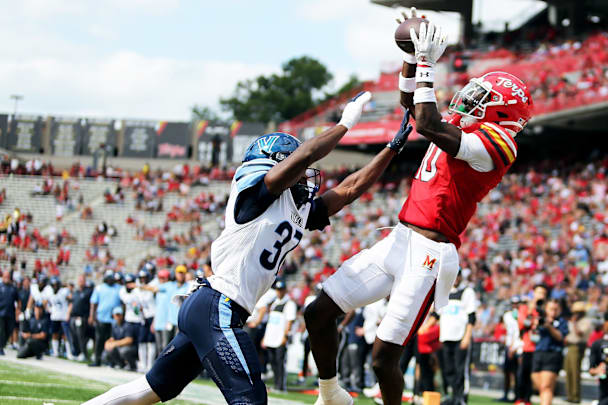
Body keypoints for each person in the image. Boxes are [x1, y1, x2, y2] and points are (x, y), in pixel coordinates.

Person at [84, 93, 414, 405]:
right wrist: (345, 125)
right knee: (250, 399)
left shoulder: (294, 209)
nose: (305, 179)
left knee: (149, 390)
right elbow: (306, 156)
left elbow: (348, 189)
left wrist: (391, 149)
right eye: (296, 171)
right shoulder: (256, 194)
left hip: (214, 308)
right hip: (219, 307)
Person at [305, 10, 533, 405]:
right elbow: (412, 104)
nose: (471, 98)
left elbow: (426, 123)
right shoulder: (466, 125)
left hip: (430, 253)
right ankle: (331, 394)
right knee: (318, 313)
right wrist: (413, 58)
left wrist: (427, 62)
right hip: (400, 239)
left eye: (485, 98)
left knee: (383, 359)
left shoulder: (500, 146)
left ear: (502, 112)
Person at [438, 273, 477, 405]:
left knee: (461, 370)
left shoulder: (467, 292)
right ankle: (453, 396)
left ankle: (461, 398)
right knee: (449, 369)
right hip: (446, 337)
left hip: (460, 337)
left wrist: (467, 336)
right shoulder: (444, 292)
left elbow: (472, 316)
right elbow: (436, 314)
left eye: (457, 276)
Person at [530, 299, 568, 405]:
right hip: (539, 353)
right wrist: (535, 325)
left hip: (553, 354)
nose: (553, 312)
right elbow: (533, 337)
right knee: (540, 387)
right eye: (551, 309)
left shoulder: (561, 322)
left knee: (546, 386)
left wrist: (549, 326)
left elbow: (560, 337)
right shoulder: (540, 319)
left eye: (556, 309)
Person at [262, 280, 297, 392]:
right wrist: (265, 337)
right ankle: (276, 384)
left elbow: (289, 321)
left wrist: (285, 336)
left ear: (285, 290)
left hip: (280, 338)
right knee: (272, 361)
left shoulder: (289, 304)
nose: (279, 292)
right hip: (271, 337)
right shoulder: (275, 303)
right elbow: (270, 321)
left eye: (281, 290)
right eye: (278, 290)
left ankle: (281, 386)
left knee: (280, 362)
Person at [516, 285, 548, 405]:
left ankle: (529, 399)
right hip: (528, 346)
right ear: (533, 293)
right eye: (539, 292)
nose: (541, 296)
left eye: (543, 293)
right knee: (523, 373)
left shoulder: (546, 309)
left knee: (535, 376)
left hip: (542, 347)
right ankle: (521, 399)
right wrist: (531, 311)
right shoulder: (526, 308)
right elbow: (522, 324)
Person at [89, 270, 122, 367]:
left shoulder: (119, 288)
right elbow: (93, 303)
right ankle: (97, 360)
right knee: (99, 340)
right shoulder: (99, 288)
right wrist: (92, 316)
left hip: (114, 319)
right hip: (101, 318)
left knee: (111, 340)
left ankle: (111, 361)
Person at [565, 301, 592, 403]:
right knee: (569, 371)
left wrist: (575, 323)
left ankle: (576, 396)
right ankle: (569, 395)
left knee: (575, 371)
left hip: (578, 347)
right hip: (570, 346)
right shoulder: (574, 321)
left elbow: (580, 334)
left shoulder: (586, 321)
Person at [103, 307, 139, 371]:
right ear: (113, 316)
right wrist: (107, 343)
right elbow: (112, 338)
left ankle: (132, 365)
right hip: (120, 347)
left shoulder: (127, 325)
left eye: (119, 315)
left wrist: (115, 344)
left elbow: (129, 340)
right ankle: (121, 365)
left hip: (131, 347)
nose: (118, 317)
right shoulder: (114, 325)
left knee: (124, 351)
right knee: (106, 352)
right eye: (116, 315)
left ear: (122, 315)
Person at [500, 296, 521, 402]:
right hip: (511, 345)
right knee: (507, 372)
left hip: (519, 346)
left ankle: (517, 395)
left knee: (517, 373)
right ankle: (506, 394)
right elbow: (510, 331)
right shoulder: (507, 315)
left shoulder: (522, 315)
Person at [135, 269, 157, 372]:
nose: (143, 280)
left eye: (145, 278)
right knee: (142, 341)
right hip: (143, 317)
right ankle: (143, 365)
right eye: (141, 278)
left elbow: (155, 292)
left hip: (152, 315)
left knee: (151, 341)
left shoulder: (152, 286)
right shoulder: (138, 290)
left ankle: (149, 365)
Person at [68, 274, 93, 361]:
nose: (80, 282)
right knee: (74, 336)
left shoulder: (88, 291)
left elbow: (91, 305)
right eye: (79, 280)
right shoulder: (76, 292)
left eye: (82, 280)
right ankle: (76, 352)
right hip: (74, 317)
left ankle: (83, 353)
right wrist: (68, 314)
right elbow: (72, 304)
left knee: (81, 336)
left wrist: (90, 316)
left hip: (83, 318)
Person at [46, 276, 71, 357]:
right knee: (54, 334)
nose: (55, 287)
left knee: (65, 335)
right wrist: (49, 309)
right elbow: (45, 302)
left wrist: (68, 313)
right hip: (55, 316)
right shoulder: (49, 292)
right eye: (53, 285)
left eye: (56, 285)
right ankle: (55, 351)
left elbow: (71, 301)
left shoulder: (64, 291)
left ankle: (68, 352)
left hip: (63, 316)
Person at [0, 270, 20, 355]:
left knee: (9, 330)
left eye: (8, 276)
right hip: (1, 312)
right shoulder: (0, 286)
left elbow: (18, 301)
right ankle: (0, 347)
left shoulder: (13, 288)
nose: (7, 278)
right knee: (1, 330)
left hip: (10, 313)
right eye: (5, 276)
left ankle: (2, 345)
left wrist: (18, 312)